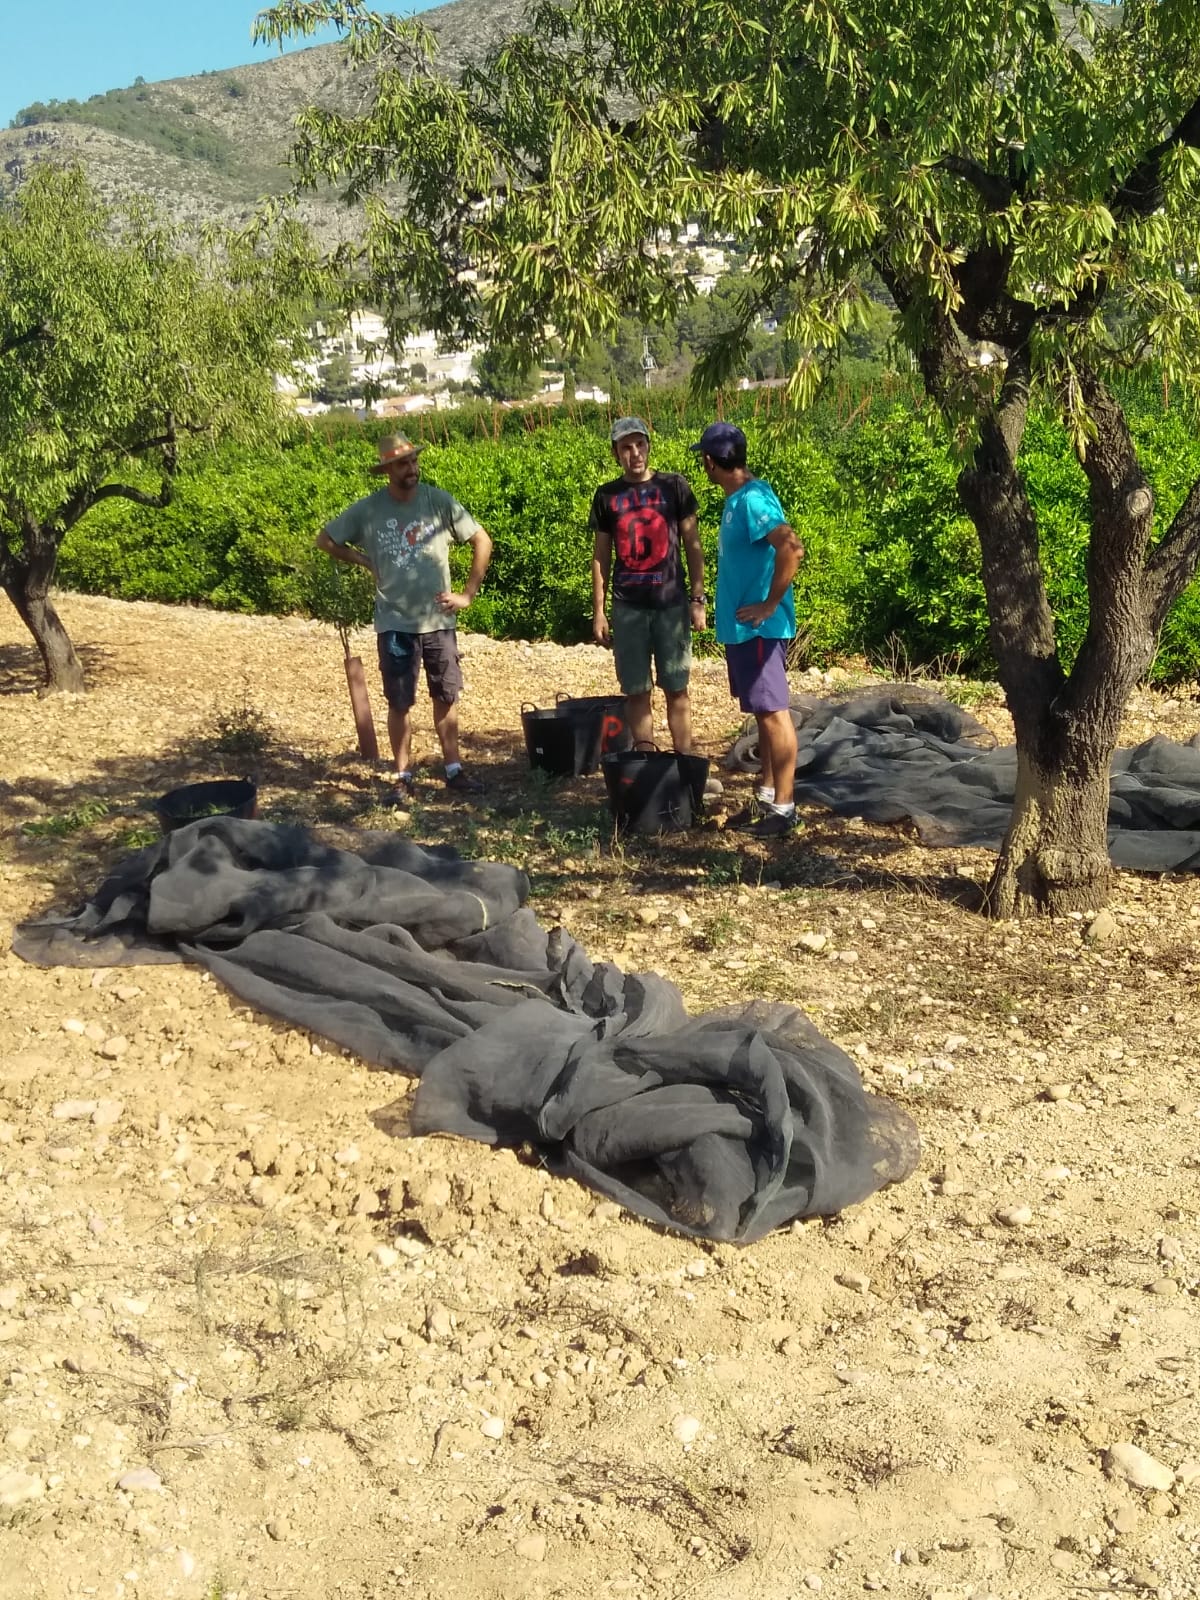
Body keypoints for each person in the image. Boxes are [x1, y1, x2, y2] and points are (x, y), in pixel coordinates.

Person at [315, 432, 493, 803]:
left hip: (439, 621)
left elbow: (482, 540)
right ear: (387, 470)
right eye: (402, 464)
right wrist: (364, 560)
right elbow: (326, 540)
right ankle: (402, 775)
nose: (411, 468)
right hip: (394, 622)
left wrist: (467, 594)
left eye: (413, 461)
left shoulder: (437, 500)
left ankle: (454, 770)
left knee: (446, 696)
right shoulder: (369, 509)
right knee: (399, 702)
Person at [692, 421, 805, 839]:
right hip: (745, 632)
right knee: (763, 713)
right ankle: (767, 799)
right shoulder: (742, 497)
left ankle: (785, 809)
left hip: (759, 630)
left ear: (709, 462)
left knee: (775, 714)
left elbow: (791, 548)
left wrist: (770, 604)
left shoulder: (754, 499)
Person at [591, 416, 707, 752]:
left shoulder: (674, 486)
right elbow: (601, 556)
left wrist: (697, 599)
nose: (635, 453)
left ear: (648, 446)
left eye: (640, 444)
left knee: (677, 688)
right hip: (628, 607)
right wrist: (599, 610)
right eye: (626, 447)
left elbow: (693, 545)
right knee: (637, 691)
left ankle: (685, 762)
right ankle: (647, 761)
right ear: (616, 453)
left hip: (670, 604)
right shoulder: (607, 496)